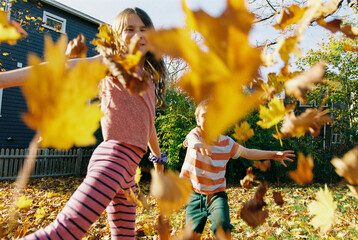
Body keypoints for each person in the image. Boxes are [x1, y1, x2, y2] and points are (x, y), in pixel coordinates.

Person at [1, 7, 167, 240]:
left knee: (124, 237)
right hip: (114, 159)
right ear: (117, 36)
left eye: (144, 29)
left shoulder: (147, 79)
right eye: (129, 29)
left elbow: (148, 124)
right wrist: (2, 79)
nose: (138, 34)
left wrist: (157, 158)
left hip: (128, 172)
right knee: (65, 232)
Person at [180, 100, 295, 237]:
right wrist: (199, 145)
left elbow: (247, 152)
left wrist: (272, 154)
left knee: (223, 226)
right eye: (205, 116)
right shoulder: (196, 135)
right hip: (194, 194)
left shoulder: (227, 143)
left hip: (216, 195)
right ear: (198, 120)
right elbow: (192, 141)